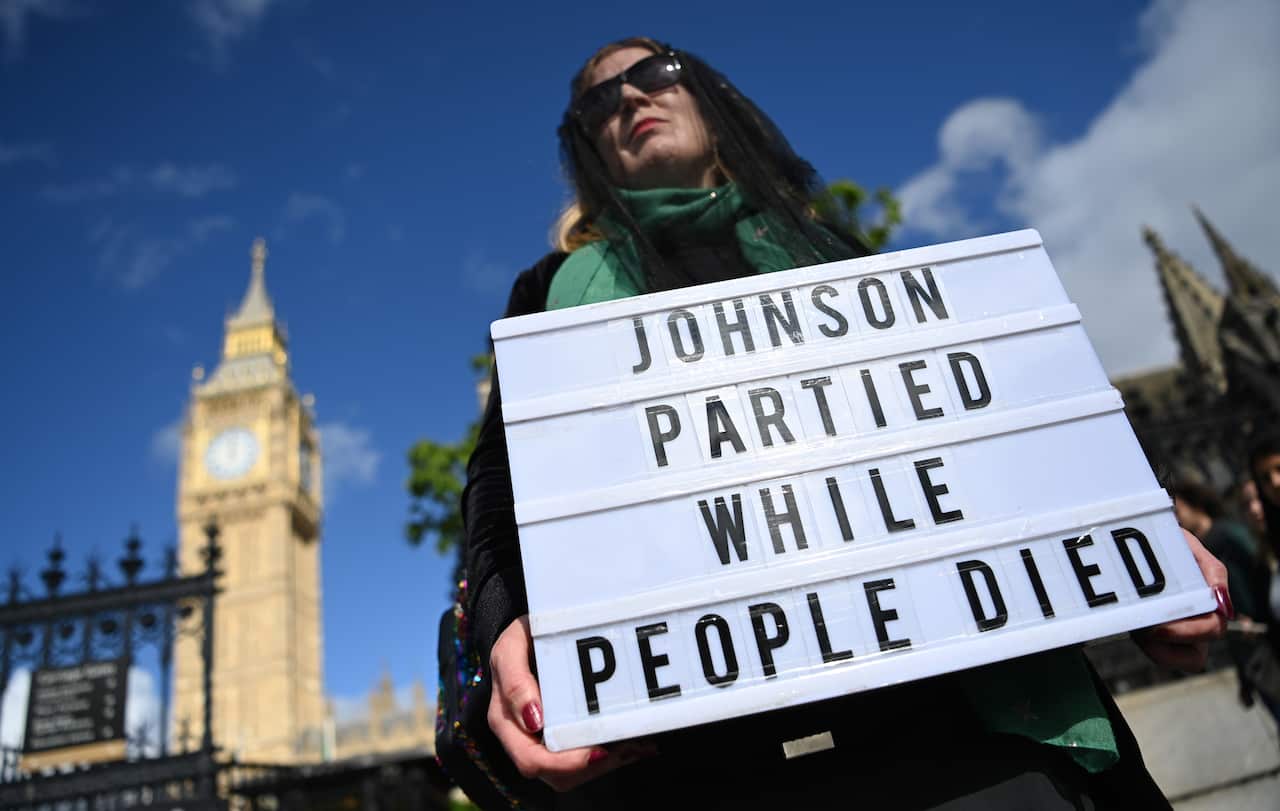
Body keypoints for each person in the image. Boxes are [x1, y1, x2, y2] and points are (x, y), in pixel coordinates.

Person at [462, 37, 1231, 809]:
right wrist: (504, 627)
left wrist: (1140, 543)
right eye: (599, 99)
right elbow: (502, 487)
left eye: (652, 74)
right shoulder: (549, 295)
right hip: (707, 766)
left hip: (968, 736)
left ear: (711, 99)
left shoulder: (834, 258)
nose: (628, 99)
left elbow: (991, 437)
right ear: (589, 147)